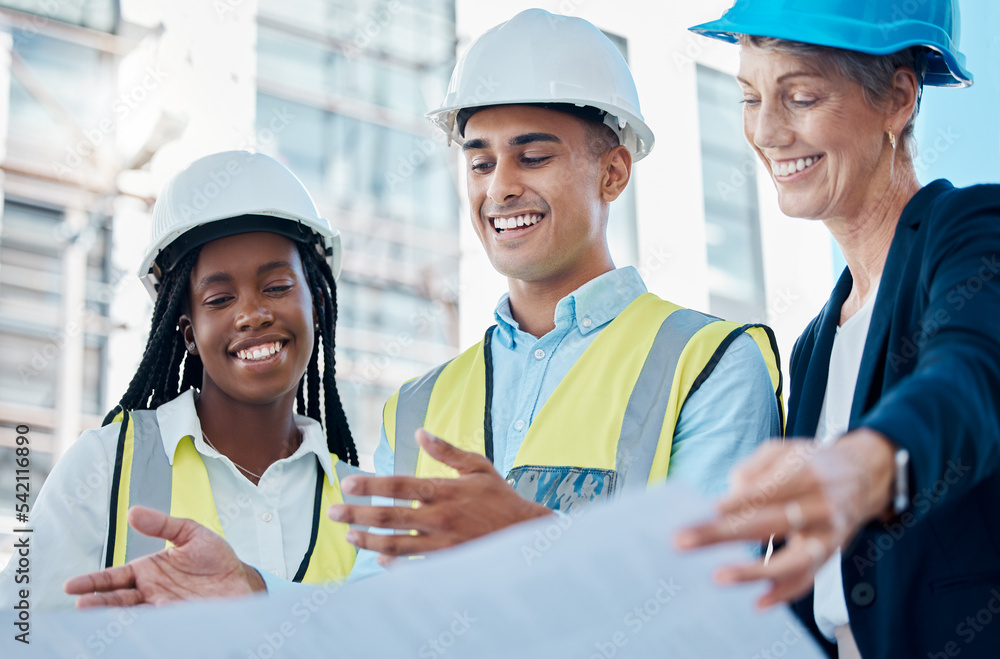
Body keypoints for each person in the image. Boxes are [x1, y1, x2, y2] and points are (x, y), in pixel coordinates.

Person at [63, 9, 784, 604]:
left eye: (533, 156)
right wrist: (253, 594)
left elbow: (717, 605)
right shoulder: (416, 410)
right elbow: (378, 627)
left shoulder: (710, 364)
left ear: (614, 170)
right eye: (479, 160)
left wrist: (535, 538)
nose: (499, 186)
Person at [677, 1, 1000, 657]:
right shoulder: (814, 344)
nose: (766, 130)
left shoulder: (969, 233)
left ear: (899, 99)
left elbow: (967, 379)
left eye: (800, 96)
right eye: (749, 96)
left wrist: (868, 463)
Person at [1, 151, 366, 611]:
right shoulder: (105, 469)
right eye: (219, 299)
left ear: (317, 305)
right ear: (189, 333)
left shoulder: (367, 503)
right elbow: (19, 634)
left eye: (276, 287)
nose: (252, 314)